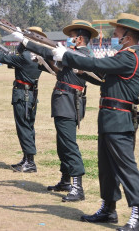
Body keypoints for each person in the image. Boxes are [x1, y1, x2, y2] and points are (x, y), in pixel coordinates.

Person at [53, 13, 139, 231]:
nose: (115, 33)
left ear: (129, 36)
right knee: (107, 168)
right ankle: (108, 209)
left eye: (119, 31)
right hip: (110, 118)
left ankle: (137, 211)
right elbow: (102, 73)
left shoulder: (130, 56)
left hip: (119, 119)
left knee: (126, 169)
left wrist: (68, 56)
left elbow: (97, 62)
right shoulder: (124, 55)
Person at [12, 20, 99, 202]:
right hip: (62, 102)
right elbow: (60, 72)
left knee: (68, 144)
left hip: (68, 102)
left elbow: (49, 50)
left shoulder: (82, 55)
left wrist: (27, 42)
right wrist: (43, 62)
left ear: (80, 38)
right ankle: (66, 180)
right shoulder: (73, 54)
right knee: (62, 144)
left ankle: (77, 186)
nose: (68, 39)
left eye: (71, 36)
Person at [0, 26, 44, 170]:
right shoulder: (37, 56)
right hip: (31, 95)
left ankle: (29, 161)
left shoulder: (25, 57)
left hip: (23, 95)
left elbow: (1, 58)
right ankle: (27, 158)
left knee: (24, 128)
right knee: (28, 127)